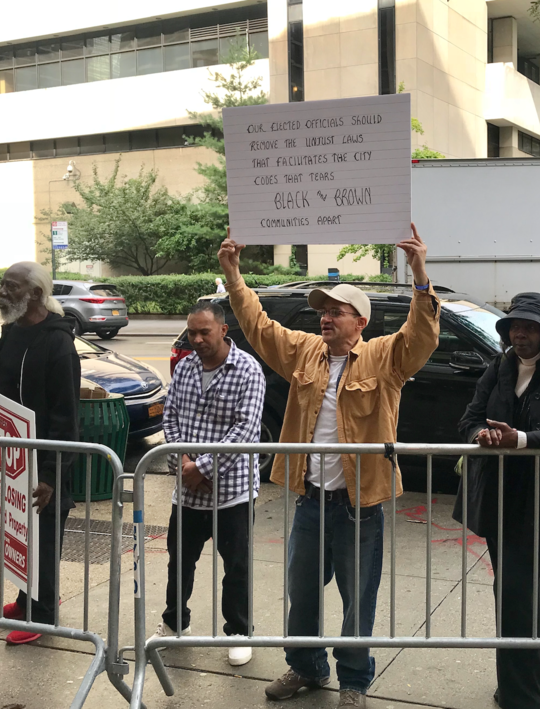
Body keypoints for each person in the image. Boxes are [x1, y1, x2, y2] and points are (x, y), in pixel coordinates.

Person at [217, 224, 439, 709]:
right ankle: (306, 668)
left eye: (335, 312)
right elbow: (258, 326)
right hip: (310, 503)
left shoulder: (385, 358)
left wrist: (420, 273)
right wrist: (233, 274)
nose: (325, 318)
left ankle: (354, 682)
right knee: (302, 595)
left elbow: (421, 334)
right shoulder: (304, 351)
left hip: (360, 508)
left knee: (358, 602)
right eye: (322, 311)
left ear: (360, 321)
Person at [453, 292, 540, 709]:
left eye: (529, 327)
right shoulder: (499, 367)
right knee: (518, 592)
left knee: (516, 594)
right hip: (499, 500)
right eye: (515, 326)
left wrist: (523, 440)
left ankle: (523, 696)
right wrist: (480, 435)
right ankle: (532, 674)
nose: (520, 333)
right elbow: (469, 418)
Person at [148, 300, 265, 667]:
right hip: (186, 490)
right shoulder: (184, 368)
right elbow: (171, 417)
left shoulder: (247, 370)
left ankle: (239, 632)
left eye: (204, 332)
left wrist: (204, 469)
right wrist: (183, 464)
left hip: (233, 492)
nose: (197, 339)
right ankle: (173, 625)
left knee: (237, 566)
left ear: (223, 331)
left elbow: (245, 430)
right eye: (192, 332)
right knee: (179, 563)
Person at [0, 262, 81, 645]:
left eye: (11, 286)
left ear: (36, 295)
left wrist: (49, 475)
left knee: (42, 541)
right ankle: (27, 599)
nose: (2, 291)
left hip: (46, 463)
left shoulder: (58, 343)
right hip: (12, 456)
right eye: (2, 284)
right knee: (20, 535)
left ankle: (42, 617)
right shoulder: (10, 332)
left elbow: (66, 418)